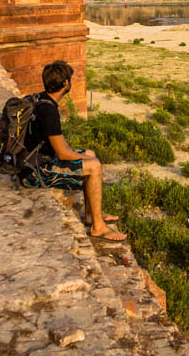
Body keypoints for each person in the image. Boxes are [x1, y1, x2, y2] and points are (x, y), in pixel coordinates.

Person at [23, 60, 126, 241]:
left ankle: (90, 214)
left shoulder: (41, 98)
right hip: (35, 171)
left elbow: (59, 145)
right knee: (93, 165)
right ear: (65, 83)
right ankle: (98, 228)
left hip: (33, 160)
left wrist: (84, 155)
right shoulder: (49, 112)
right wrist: (85, 159)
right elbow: (63, 153)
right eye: (69, 79)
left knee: (91, 154)